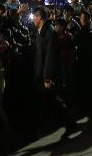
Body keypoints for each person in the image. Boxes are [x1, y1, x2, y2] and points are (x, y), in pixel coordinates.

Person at [32, 7, 77, 140]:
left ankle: (69, 124)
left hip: (46, 76)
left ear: (40, 17)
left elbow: (50, 57)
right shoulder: (41, 32)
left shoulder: (50, 33)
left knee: (52, 101)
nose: (33, 19)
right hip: (40, 74)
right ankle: (40, 128)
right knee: (47, 102)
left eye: (35, 16)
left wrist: (47, 78)